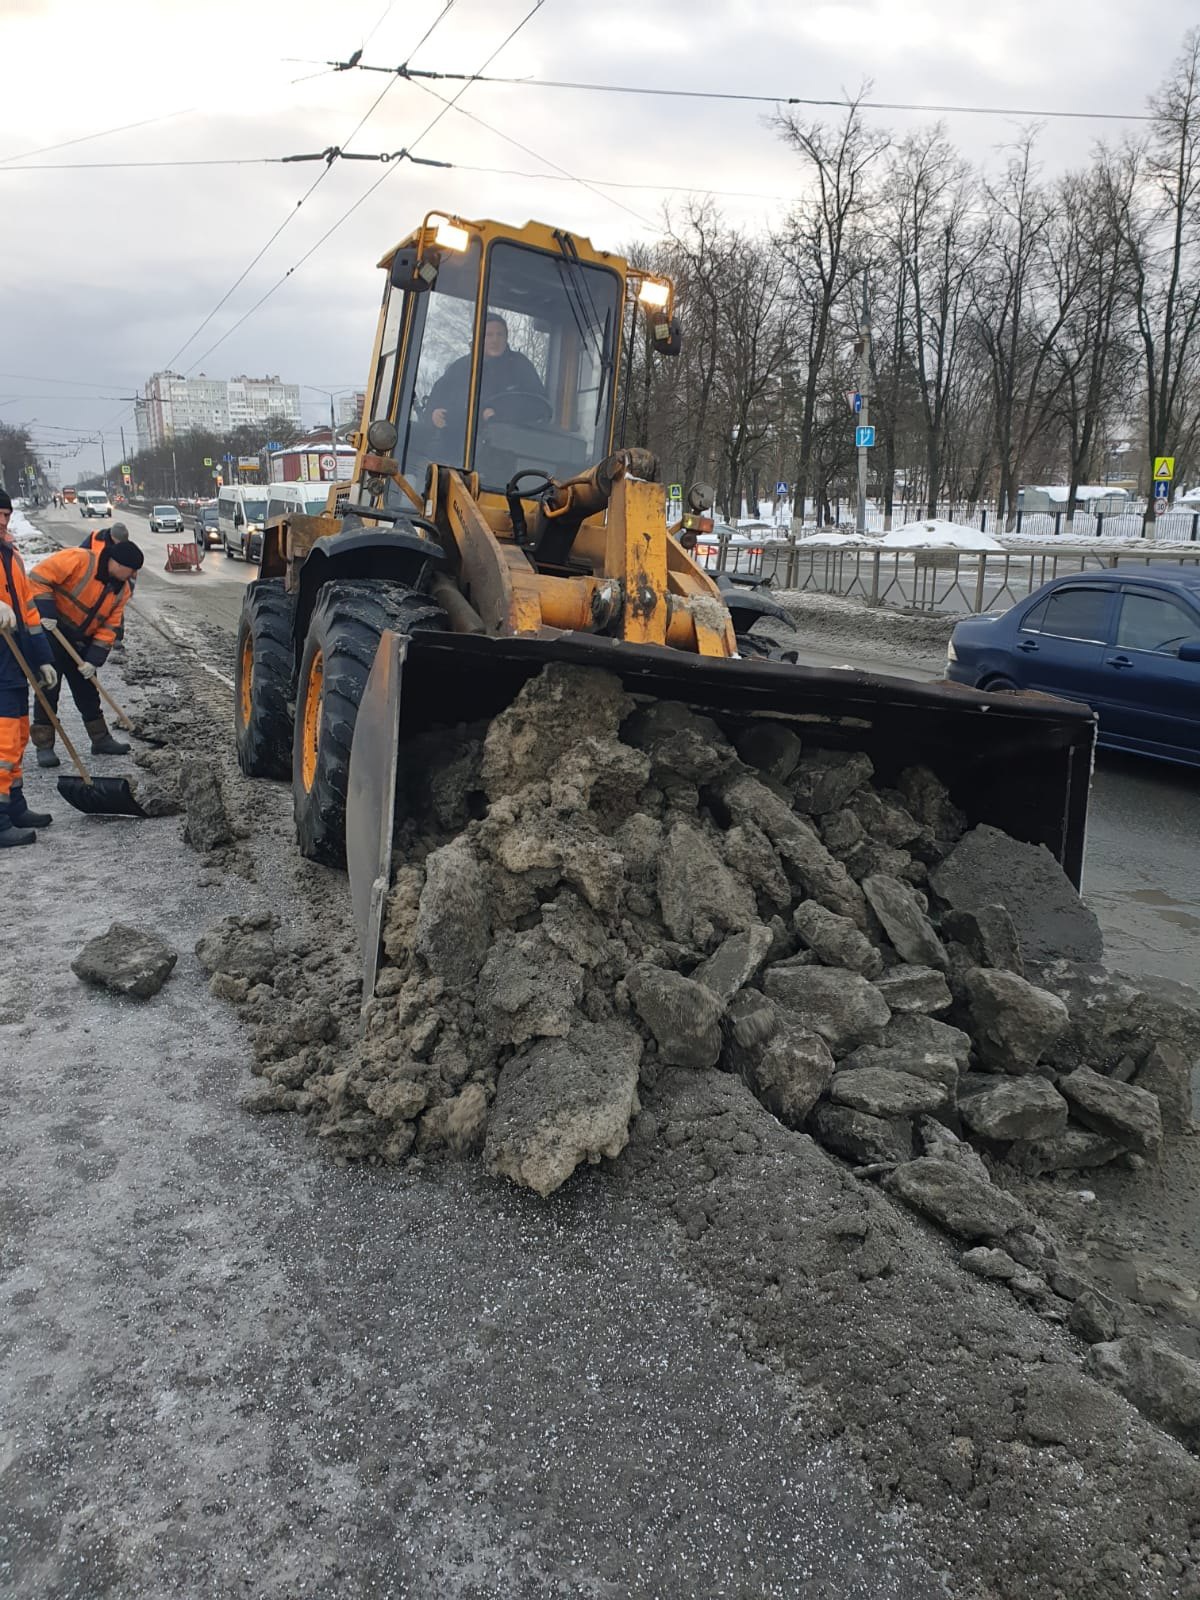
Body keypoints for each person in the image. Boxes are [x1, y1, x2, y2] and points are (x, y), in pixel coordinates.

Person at [27, 537, 144, 766]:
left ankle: (100, 740)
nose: (131, 577)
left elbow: (110, 626)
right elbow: (38, 578)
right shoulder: (79, 559)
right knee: (49, 687)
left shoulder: (123, 590)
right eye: (130, 571)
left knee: (88, 689)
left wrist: (93, 660)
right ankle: (44, 745)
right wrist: (46, 611)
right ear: (116, 563)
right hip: (51, 631)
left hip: (81, 640)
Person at [0, 487, 57, 845]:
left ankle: (13, 805)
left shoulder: (12, 555)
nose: (3, 522)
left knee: (18, 735)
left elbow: (29, 613)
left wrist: (43, 659)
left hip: (14, 660)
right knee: (2, 742)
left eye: (6, 516)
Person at [425, 314, 547, 433]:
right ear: (478, 337)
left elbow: (540, 406)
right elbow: (436, 400)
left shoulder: (520, 365)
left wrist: (499, 413)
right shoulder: (460, 368)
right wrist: (433, 414)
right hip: (458, 444)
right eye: (489, 335)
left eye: (500, 334)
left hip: (508, 444)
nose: (495, 340)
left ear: (506, 338)